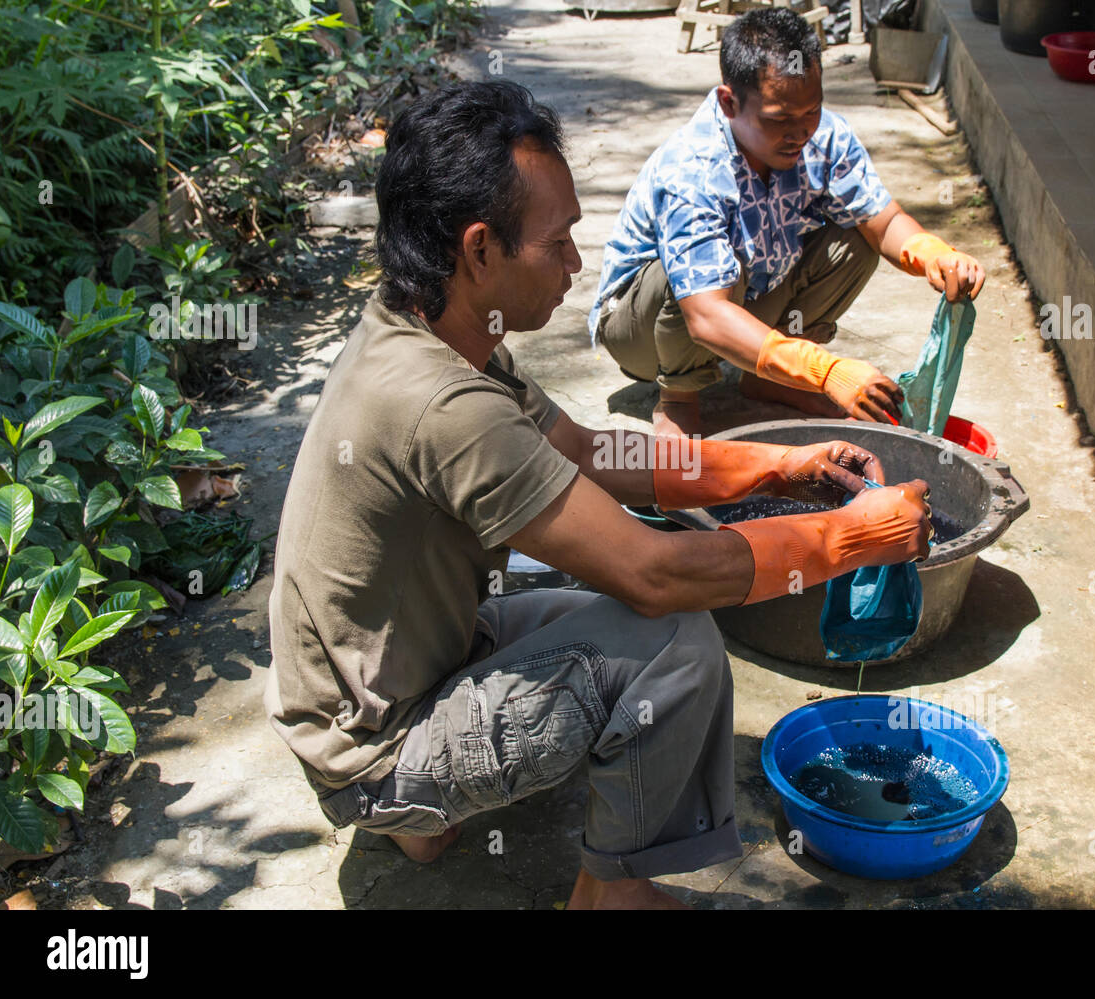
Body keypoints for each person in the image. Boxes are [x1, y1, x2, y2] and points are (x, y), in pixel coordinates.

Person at [264, 80, 933, 910]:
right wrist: (852, 539)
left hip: (374, 681)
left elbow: (588, 450)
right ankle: (608, 892)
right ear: (479, 249)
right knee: (676, 640)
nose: (578, 265)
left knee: (592, 602)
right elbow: (657, 573)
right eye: (559, 242)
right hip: (370, 743)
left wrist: (768, 466)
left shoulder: (433, 323)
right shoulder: (445, 404)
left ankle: (418, 810)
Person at [590, 8, 986, 437]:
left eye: (810, 112)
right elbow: (705, 314)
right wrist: (825, 370)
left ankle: (766, 377)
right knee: (713, 267)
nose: (799, 133)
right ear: (729, 102)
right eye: (778, 119)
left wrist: (931, 253)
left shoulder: (826, 137)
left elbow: (883, 223)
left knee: (854, 243)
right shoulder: (696, 168)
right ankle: (678, 398)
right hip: (641, 333)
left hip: (738, 299)